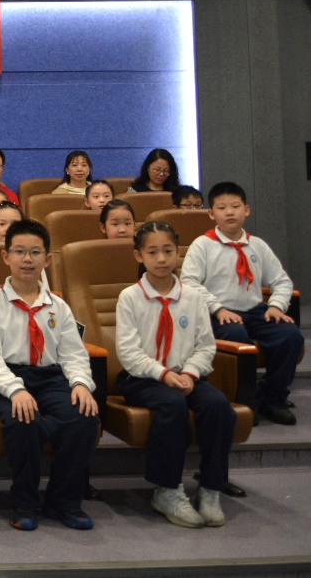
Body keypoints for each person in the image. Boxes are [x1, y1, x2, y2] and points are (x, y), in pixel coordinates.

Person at [0, 219, 100, 531]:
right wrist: (15, 390)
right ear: (6, 257)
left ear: (48, 259)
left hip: (50, 377)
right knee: (23, 420)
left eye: (35, 252)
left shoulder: (58, 306)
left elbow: (73, 353)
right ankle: (25, 503)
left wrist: (81, 384)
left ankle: (63, 502)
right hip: (4, 379)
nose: (27, 259)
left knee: (83, 417)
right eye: (19, 251)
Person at [117, 222, 235, 528]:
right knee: (171, 404)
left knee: (218, 406)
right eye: (152, 252)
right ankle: (167, 489)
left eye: (168, 251)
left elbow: (205, 345)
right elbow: (128, 352)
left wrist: (191, 374)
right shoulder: (130, 297)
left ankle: (211, 487)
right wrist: (164, 375)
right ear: (138, 255)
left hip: (187, 375)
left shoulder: (193, 297)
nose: (161, 259)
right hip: (143, 378)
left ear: (178, 253)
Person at [182, 182, 301, 425]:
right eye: (222, 208)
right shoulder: (202, 245)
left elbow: (281, 281)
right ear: (211, 213)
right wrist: (218, 308)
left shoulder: (257, 245)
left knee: (290, 335)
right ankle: (247, 400)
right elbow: (189, 282)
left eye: (235, 206)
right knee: (236, 335)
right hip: (218, 312)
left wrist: (276, 306)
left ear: (246, 210)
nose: (229, 212)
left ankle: (274, 397)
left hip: (256, 311)